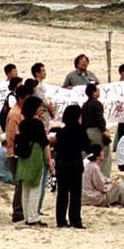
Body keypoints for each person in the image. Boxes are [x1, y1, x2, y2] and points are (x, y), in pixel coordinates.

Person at [15, 96, 55, 227]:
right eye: (39, 107)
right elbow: (45, 143)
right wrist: (49, 162)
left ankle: (27, 216)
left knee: (26, 188)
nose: (41, 109)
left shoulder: (23, 122)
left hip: (24, 157)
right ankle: (33, 217)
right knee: (35, 188)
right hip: (35, 156)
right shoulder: (37, 124)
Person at [54, 104, 90, 228]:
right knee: (75, 194)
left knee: (62, 194)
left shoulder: (62, 132)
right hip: (74, 164)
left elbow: (57, 148)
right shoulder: (80, 130)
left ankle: (61, 220)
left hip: (62, 165)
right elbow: (86, 146)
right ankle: (75, 220)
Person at [82, 144, 124, 210]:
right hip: (93, 198)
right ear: (97, 156)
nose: (103, 153)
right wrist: (111, 185)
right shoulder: (94, 167)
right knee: (119, 185)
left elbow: (100, 180)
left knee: (117, 185)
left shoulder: (88, 165)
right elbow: (101, 187)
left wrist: (110, 181)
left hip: (86, 197)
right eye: (101, 152)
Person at [5, 84, 32, 222]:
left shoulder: (21, 112)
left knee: (22, 182)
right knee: (20, 183)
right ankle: (17, 212)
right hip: (15, 153)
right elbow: (14, 136)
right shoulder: (15, 114)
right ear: (21, 98)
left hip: (19, 152)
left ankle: (22, 210)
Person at [82, 83, 112, 177]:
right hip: (96, 131)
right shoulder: (97, 104)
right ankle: (104, 176)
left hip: (87, 131)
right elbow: (99, 118)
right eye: (97, 90)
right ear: (94, 92)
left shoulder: (84, 105)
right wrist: (104, 130)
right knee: (105, 153)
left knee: (86, 153)